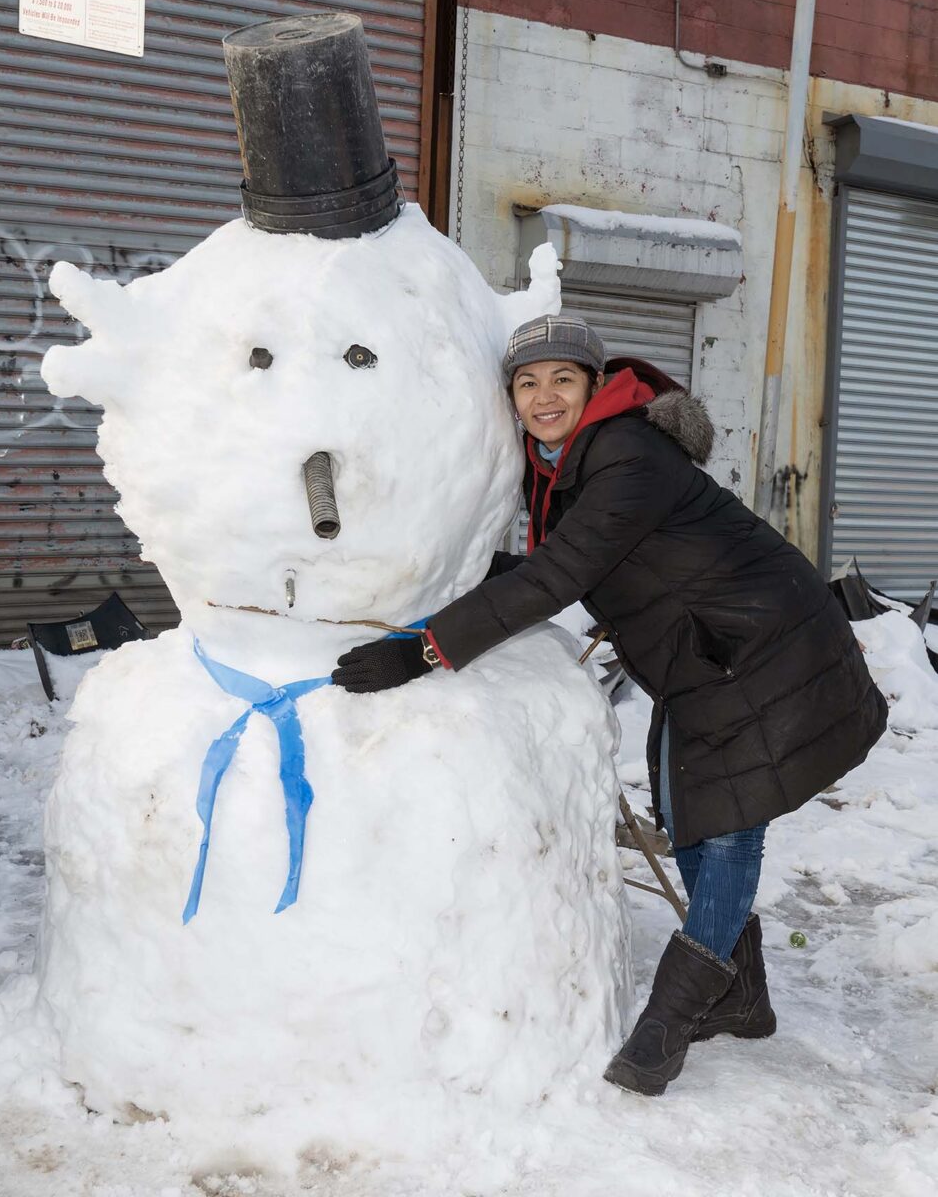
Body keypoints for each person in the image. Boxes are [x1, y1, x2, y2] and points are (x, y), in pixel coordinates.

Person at [332, 314, 887, 1097]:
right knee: (689, 812)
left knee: (730, 829)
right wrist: (454, 570)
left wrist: (423, 650)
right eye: (527, 383)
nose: (544, 396)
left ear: (596, 385)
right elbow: (560, 562)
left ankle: (668, 1023)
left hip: (767, 647)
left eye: (562, 379)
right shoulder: (565, 466)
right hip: (709, 654)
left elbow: (557, 576)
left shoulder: (627, 454)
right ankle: (741, 996)